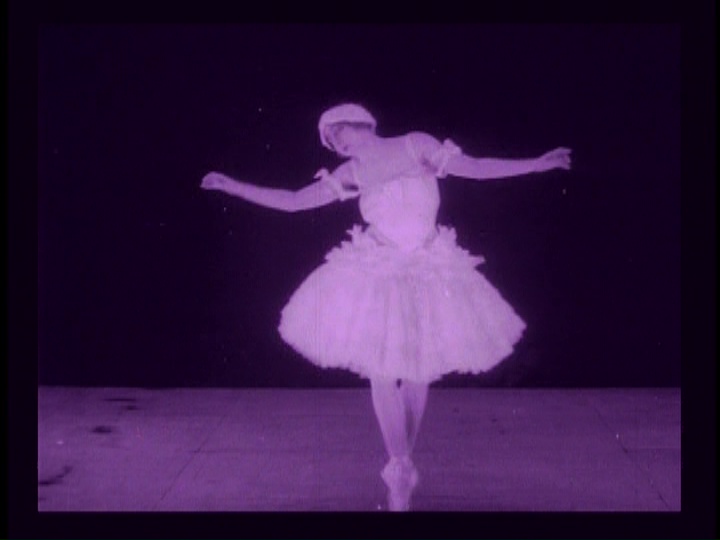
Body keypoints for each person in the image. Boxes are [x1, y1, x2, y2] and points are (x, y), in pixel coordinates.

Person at [201, 103, 572, 511]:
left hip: (428, 267)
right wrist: (233, 187)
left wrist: (536, 164)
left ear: (360, 124)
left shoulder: (415, 145)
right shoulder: (351, 173)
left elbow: (477, 167)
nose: (334, 143)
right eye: (329, 140)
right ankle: (400, 468)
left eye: (337, 132)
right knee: (381, 371)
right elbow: (293, 201)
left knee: (418, 370)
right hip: (377, 270)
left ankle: (401, 468)